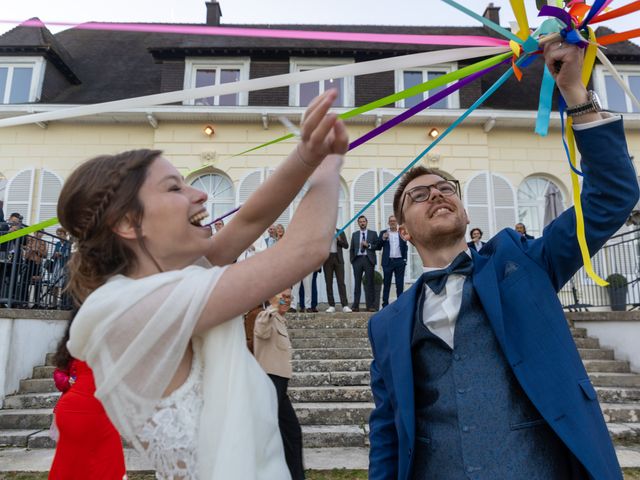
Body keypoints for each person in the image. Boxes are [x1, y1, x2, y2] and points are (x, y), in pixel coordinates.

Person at [367, 41, 637, 480]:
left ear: (465, 211)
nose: (436, 193)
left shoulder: (522, 263)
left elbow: (611, 197)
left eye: (447, 188)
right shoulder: (385, 324)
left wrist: (574, 93)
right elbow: (386, 431)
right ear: (402, 230)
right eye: (420, 195)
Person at [60, 89, 348, 479]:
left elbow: (247, 221)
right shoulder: (131, 307)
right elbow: (305, 249)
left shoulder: (170, 283)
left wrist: (306, 156)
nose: (200, 194)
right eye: (174, 188)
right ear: (128, 223)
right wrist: (329, 168)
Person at [49, 313, 127, 480]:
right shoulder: (108, 343)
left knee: (71, 468)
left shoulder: (73, 344)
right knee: (105, 469)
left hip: (74, 409)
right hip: (94, 409)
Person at [253, 289, 304, 480]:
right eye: (282, 296)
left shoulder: (281, 320)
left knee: (293, 433)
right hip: (270, 382)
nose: (286, 300)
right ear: (271, 297)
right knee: (274, 437)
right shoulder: (264, 317)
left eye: (289, 297)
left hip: (281, 386)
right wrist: (273, 307)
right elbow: (261, 331)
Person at [375, 215, 408, 308]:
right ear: (388, 223)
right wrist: (383, 238)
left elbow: (405, 247)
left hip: (399, 262)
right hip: (388, 262)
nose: (393, 222)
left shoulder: (402, 232)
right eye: (391, 221)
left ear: (397, 222)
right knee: (386, 284)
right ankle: (385, 304)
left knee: (399, 284)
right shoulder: (383, 233)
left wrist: (404, 260)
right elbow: (378, 246)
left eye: (394, 221)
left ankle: (400, 304)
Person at [349, 215, 378, 312]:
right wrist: (352, 260)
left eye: (363, 221)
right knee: (357, 283)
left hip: (368, 260)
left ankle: (370, 306)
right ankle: (355, 305)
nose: (362, 223)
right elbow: (352, 249)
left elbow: (377, 246)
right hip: (357, 260)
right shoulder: (355, 234)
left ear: (366, 222)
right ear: (358, 223)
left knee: (370, 283)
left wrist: (368, 245)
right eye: (360, 222)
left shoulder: (373, 234)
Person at [323, 229, 351, 313]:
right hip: (327, 259)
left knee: (341, 282)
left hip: (338, 259)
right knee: (328, 283)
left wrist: (339, 239)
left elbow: (346, 245)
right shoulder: (324, 232)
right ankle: (331, 305)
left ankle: (345, 305)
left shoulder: (340, 232)